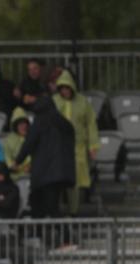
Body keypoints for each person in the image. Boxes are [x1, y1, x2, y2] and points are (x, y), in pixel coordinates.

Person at [14, 95, 75, 220]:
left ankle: (65, 236)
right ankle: (61, 235)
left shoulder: (40, 121)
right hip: (63, 173)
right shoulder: (65, 123)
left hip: (44, 173)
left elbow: (29, 143)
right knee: (52, 206)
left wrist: (17, 161)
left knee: (44, 209)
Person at [53, 70, 100, 216]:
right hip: (58, 147)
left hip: (78, 147)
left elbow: (91, 124)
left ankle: (74, 211)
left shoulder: (82, 102)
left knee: (75, 181)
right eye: (62, 88)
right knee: (57, 179)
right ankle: (57, 211)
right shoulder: (54, 101)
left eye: (67, 88)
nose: (65, 91)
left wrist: (93, 145)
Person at [2, 107, 31, 179]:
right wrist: (12, 166)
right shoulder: (9, 141)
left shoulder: (33, 137)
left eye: (25, 123)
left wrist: (31, 166)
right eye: (20, 124)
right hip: (15, 176)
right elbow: (7, 157)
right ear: (15, 126)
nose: (23, 126)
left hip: (33, 174)